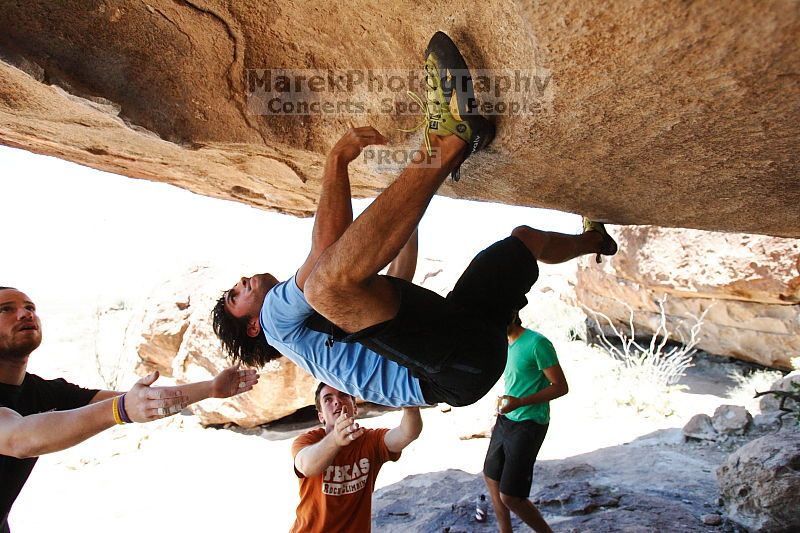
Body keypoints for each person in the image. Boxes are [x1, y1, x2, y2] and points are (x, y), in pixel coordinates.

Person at [212, 31, 617, 409]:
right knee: (324, 285)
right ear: (251, 327)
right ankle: (451, 140)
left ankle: (595, 241)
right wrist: (336, 161)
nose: (242, 283)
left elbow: (398, 284)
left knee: (525, 240)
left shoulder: (317, 337)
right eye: (236, 296)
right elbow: (324, 258)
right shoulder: (274, 321)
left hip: (465, 348)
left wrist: (403, 215)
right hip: (449, 367)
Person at [0, 287, 259, 532]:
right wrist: (121, 410)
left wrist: (211, 388)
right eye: (5, 309)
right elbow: (21, 439)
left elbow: (141, 400)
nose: (25, 313)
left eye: (29, 307)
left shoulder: (42, 390)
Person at [291, 382, 422, 532]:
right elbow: (306, 466)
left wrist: (411, 407)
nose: (337, 401)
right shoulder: (307, 441)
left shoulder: (370, 440)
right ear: (321, 416)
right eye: (328, 399)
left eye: (343, 395)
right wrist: (335, 439)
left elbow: (407, 433)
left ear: (355, 408)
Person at [483, 313, 568, 533]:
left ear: (512, 314)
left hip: (530, 422)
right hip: (506, 418)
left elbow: (560, 386)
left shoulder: (537, 343)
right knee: (491, 476)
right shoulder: (504, 343)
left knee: (511, 496)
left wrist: (521, 401)